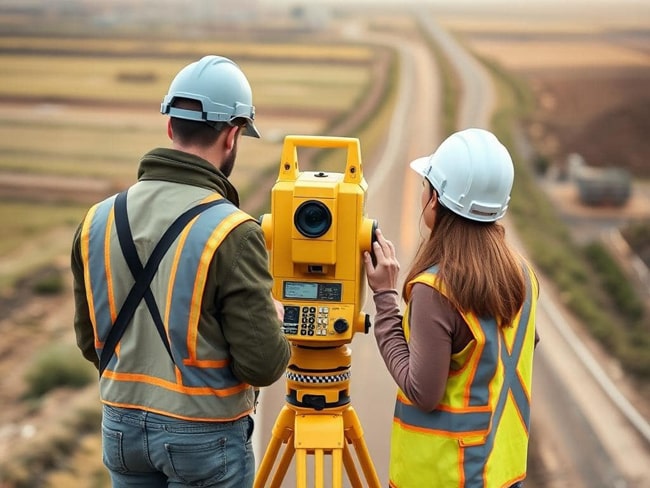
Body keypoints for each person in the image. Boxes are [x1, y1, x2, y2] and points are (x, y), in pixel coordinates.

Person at [71, 55, 291, 488]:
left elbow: (88, 341)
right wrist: (276, 325)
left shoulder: (95, 221)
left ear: (170, 127)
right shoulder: (233, 232)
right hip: (205, 439)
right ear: (232, 135)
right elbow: (263, 365)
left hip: (120, 429)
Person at [363, 128, 539, 488]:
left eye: (426, 185)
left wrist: (385, 300)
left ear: (437, 200)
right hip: (502, 474)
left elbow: (423, 391)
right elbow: (518, 347)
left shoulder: (435, 290)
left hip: (443, 475)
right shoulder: (522, 274)